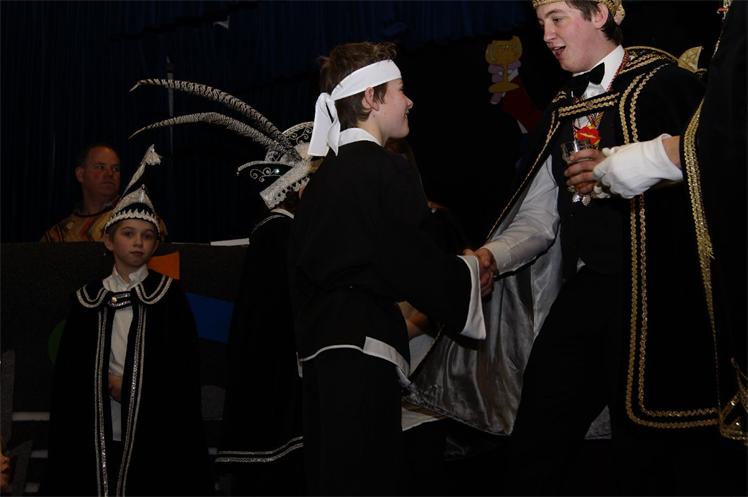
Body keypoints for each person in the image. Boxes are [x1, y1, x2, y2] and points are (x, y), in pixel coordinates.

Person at [413, 0, 716, 493]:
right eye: (541, 24)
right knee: (540, 428)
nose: (547, 36)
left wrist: (625, 168)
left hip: (660, 294)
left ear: (600, 15)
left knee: (654, 443)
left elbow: (713, 170)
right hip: (592, 287)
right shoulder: (561, 108)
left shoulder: (666, 85)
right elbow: (540, 216)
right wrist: (492, 256)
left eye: (557, 19)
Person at [288, 41, 487, 495]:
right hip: (365, 347)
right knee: (371, 475)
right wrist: (468, 274)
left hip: (317, 355)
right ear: (370, 98)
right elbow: (408, 256)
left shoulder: (319, 183)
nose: (409, 101)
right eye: (400, 90)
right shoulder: (388, 169)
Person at [41, 146, 213, 496]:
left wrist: (133, 386)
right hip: (98, 422)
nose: (138, 242)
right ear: (108, 240)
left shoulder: (167, 296)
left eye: (147, 236)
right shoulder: (87, 299)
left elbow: (181, 370)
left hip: (154, 426)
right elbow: (70, 377)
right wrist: (103, 382)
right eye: (128, 233)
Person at [215, 121, 314, 496]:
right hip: (278, 387)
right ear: (300, 189)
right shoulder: (280, 232)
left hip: (272, 378)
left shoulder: (276, 231)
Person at [41, 143, 122, 242]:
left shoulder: (130, 219)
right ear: (80, 174)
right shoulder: (58, 235)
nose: (110, 173)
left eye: (116, 169)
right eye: (100, 167)